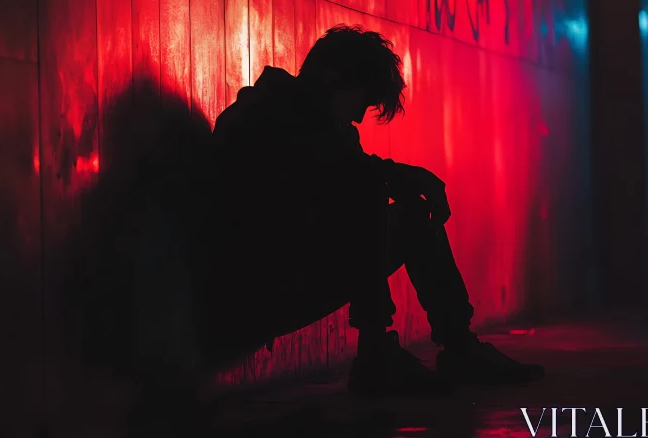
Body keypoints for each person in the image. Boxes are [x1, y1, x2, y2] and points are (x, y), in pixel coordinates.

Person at [196, 24, 544, 396]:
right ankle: (377, 352)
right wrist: (399, 176)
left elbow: (334, 171)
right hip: (252, 293)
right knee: (367, 187)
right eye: (361, 100)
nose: (361, 117)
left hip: (287, 274)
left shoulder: (325, 127)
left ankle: (457, 346)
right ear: (332, 79)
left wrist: (400, 178)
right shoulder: (261, 118)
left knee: (410, 215)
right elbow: (322, 176)